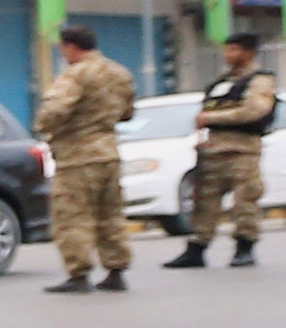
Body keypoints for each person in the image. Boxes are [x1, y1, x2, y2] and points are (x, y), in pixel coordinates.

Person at [36, 21, 138, 290]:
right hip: (109, 153)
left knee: (73, 217)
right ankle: (116, 271)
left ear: (70, 47)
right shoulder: (119, 73)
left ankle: (78, 274)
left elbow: (54, 111)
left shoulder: (76, 75)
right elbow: (128, 112)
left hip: (77, 157)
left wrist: (44, 125)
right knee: (111, 215)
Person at [163, 29, 268, 268]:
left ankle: (244, 247)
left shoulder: (260, 80)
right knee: (205, 202)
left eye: (234, 50)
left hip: (243, 151)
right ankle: (197, 248)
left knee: (245, 201)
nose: (228, 54)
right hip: (214, 150)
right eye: (227, 49)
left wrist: (212, 118)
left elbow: (254, 111)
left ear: (248, 52)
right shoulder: (223, 81)